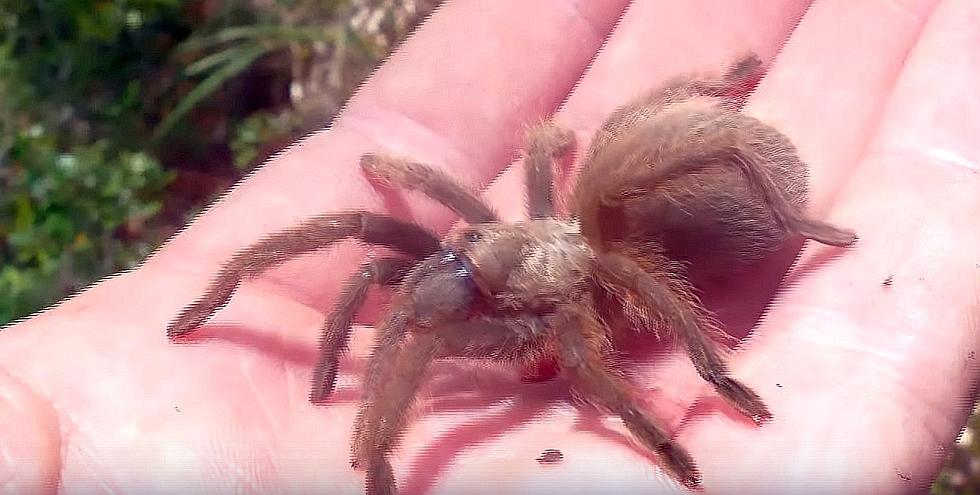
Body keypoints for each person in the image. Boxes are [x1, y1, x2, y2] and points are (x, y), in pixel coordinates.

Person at [1, 0, 976, 493]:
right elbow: (399, 231)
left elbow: (586, 331)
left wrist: (691, 395)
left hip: (710, 207)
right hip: (622, 216)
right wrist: (287, 309)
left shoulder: (575, 262)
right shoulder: (474, 240)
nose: (438, 269)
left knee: (617, 166)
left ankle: (766, 194)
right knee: (369, 242)